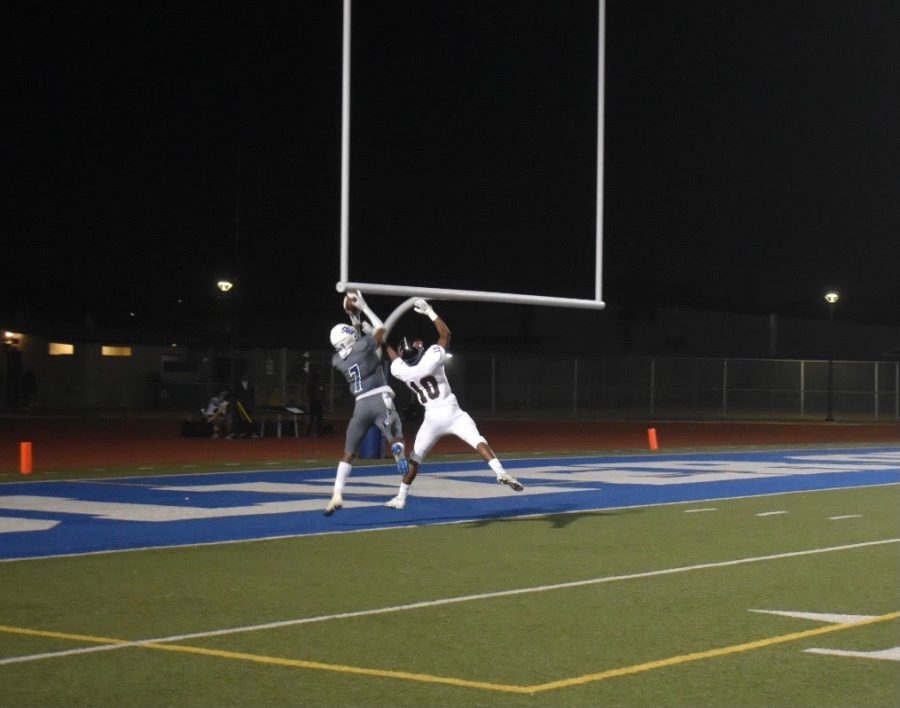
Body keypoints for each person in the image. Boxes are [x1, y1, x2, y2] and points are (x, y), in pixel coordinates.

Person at [383, 298, 523, 509]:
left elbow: (394, 358)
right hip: (452, 411)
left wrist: (383, 341)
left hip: (431, 418)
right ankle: (500, 472)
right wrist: (430, 312)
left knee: (416, 457)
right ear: (419, 352)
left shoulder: (402, 371)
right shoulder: (431, 357)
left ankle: (401, 497)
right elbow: (445, 334)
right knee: (478, 441)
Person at [324, 290, 409, 516]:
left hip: (360, 406)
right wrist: (364, 308)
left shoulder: (338, 360)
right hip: (380, 397)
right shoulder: (362, 346)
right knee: (396, 435)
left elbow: (356, 340)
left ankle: (336, 494)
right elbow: (382, 330)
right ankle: (397, 450)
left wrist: (354, 321)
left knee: (349, 453)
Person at [230, 372, 258, 438]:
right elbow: (234, 394)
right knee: (239, 419)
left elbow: (252, 395)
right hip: (240, 405)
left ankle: (250, 433)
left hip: (248, 405)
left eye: (246, 376)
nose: (245, 377)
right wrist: (237, 402)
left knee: (249, 418)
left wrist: (252, 403)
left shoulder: (251, 385)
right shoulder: (237, 385)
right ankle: (238, 433)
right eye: (243, 376)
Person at [306, 372, 325, 437]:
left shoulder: (312, 384)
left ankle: (310, 432)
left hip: (314, 403)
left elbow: (310, 394)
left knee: (312, 418)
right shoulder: (319, 385)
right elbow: (322, 394)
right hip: (318, 403)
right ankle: (318, 432)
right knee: (318, 418)